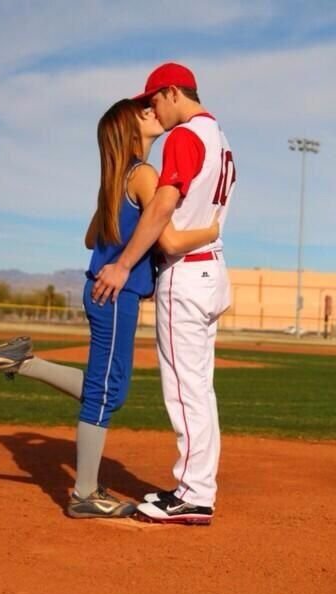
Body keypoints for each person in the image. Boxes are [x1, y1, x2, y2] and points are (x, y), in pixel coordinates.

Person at [0, 97, 220, 520]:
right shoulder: (144, 175)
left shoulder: (116, 179)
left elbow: (90, 239)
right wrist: (211, 229)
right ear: (129, 128)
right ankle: (84, 493)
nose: (152, 110)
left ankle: (23, 362)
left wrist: (121, 239)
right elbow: (170, 240)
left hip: (100, 290)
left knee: (110, 389)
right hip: (114, 295)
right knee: (106, 393)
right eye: (143, 111)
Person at [91, 63, 236, 525]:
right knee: (201, 390)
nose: (151, 108)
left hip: (187, 275)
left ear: (173, 92)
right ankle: (199, 486)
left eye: (154, 99)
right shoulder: (221, 139)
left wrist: (125, 263)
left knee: (185, 390)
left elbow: (165, 207)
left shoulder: (185, 136)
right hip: (213, 268)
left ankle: (193, 495)